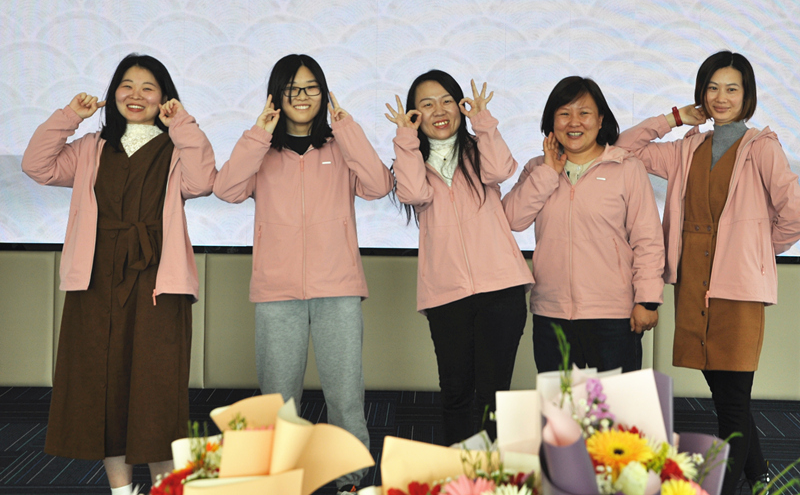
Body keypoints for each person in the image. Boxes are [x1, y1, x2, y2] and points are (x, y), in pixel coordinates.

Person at [21, 53, 216, 495]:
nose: (136, 95)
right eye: (126, 85)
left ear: (165, 98)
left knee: (157, 391)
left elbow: (204, 181)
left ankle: (167, 488)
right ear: (112, 94)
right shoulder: (91, 147)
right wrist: (70, 116)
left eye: (148, 87)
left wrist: (182, 123)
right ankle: (121, 490)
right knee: (102, 389)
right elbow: (36, 165)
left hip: (158, 279)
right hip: (95, 280)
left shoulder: (176, 148)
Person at [615, 51, 800, 495]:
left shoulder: (763, 147)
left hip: (737, 291)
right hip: (693, 285)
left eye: (732, 89)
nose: (721, 97)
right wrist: (675, 117)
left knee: (731, 401)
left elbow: (794, 212)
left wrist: (758, 252)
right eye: (712, 88)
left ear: (747, 95)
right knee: (727, 396)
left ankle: (725, 487)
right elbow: (624, 149)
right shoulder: (688, 147)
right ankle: (759, 474)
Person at [213, 54, 392, 495]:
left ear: (324, 94)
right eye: (292, 88)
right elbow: (227, 189)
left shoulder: (339, 148)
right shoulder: (262, 152)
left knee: (345, 396)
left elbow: (378, 185)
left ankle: (351, 481)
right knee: (278, 398)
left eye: (312, 87)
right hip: (277, 292)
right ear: (276, 95)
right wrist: (258, 134)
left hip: (338, 288)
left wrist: (348, 129)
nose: (303, 96)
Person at [386, 70, 532, 446]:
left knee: (492, 396)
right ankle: (458, 472)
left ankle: (492, 473)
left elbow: (501, 170)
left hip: (501, 289)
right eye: (427, 104)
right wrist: (406, 140)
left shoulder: (479, 150)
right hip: (446, 293)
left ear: (459, 106)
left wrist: (482, 121)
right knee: (455, 394)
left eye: (447, 101)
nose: (439, 110)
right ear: (414, 115)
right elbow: (414, 193)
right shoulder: (410, 160)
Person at [502, 76, 664, 375]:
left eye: (584, 112)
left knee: (616, 404)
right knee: (561, 404)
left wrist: (648, 300)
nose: (574, 122)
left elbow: (648, 240)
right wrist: (548, 172)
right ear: (552, 121)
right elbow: (512, 219)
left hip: (614, 314)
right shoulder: (537, 168)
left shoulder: (626, 167)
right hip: (552, 312)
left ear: (600, 119)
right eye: (564, 113)